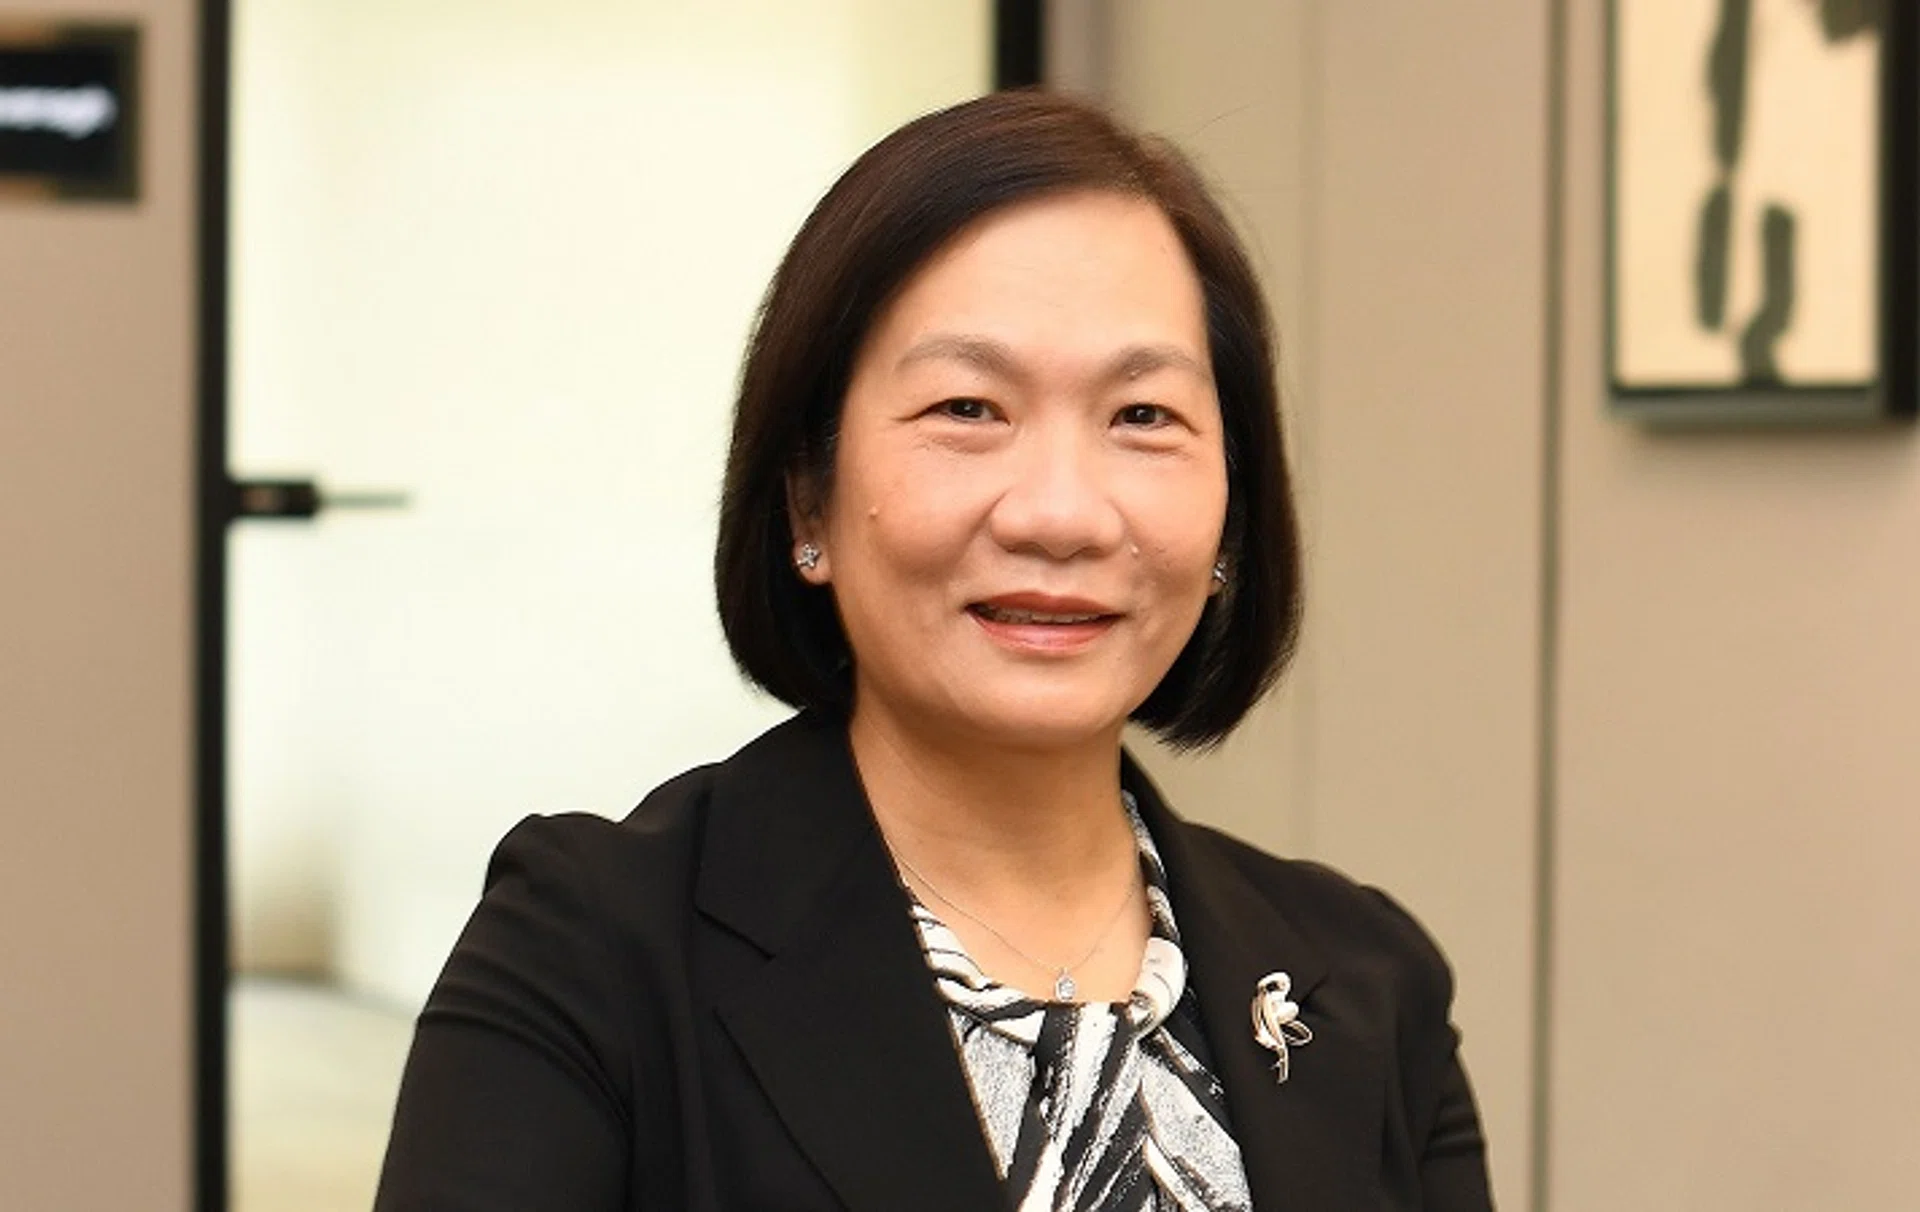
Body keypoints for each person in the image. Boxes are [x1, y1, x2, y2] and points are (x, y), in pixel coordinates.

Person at [374, 90, 1491, 1212]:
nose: (1062, 513)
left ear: (1231, 514)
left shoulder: (1369, 982)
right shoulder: (592, 953)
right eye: (967, 406)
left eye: (1143, 416)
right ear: (808, 497)